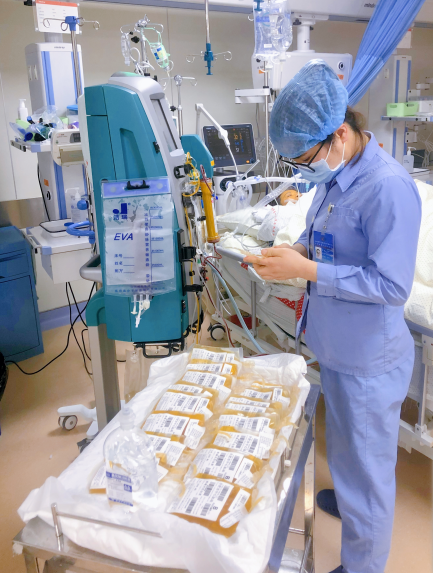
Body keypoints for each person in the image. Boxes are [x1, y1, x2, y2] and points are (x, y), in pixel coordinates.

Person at [244, 60, 421, 573]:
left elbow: (391, 286)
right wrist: (295, 252)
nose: (303, 172)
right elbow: (321, 233)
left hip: (368, 359)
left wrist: (309, 271)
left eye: (304, 160)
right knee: (345, 446)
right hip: (337, 346)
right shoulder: (335, 174)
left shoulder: (387, 187)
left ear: (339, 134)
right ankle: (348, 496)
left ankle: (364, 562)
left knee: (368, 476)